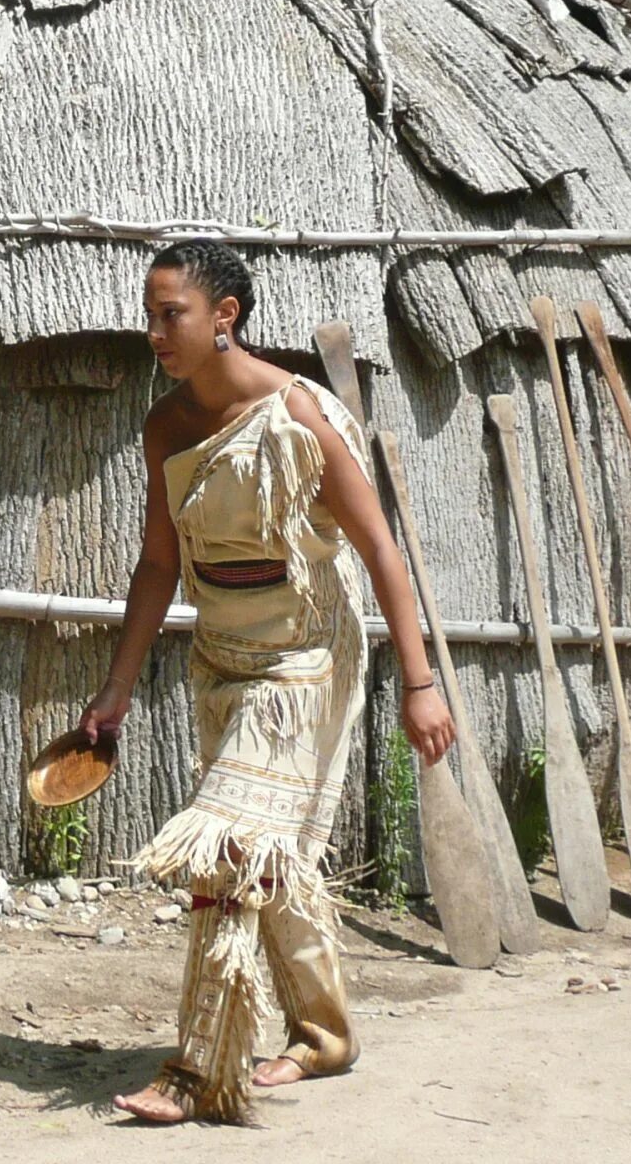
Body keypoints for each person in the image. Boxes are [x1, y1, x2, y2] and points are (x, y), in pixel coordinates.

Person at [80, 239, 453, 1126]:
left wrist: (420, 682)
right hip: (224, 661)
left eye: (172, 314)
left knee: (229, 852)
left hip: (307, 661)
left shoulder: (299, 417)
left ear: (225, 317)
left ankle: (199, 1065)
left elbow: (379, 552)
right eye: (150, 315)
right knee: (268, 861)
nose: (156, 332)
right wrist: (116, 689)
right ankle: (326, 1036)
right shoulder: (166, 426)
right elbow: (158, 565)